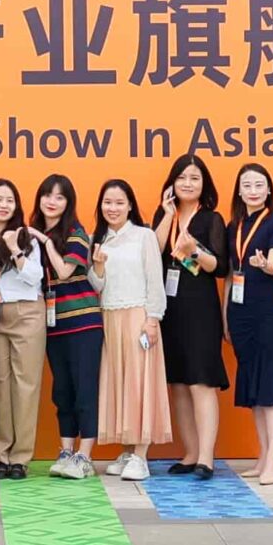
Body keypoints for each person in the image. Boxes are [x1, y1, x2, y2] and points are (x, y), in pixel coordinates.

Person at [152, 155, 228, 479]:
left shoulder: (211, 219)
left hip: (201, 310)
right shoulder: (163, 214)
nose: (187, 183)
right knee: (179, 384)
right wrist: (168, 215)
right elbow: (153, 252)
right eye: (182, 177)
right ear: (172, 182)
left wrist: (194, 250)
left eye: (194, 178)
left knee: (201, 383)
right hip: (170, 309)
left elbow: (220, 267)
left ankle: (206, 458)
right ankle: (191, 452)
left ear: (204, 184)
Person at [91, 178, 169, 480]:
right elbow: (96, 285)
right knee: (119, 382)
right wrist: (98, 266)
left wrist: (153, 319)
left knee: (140, 382)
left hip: (138, 316)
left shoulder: (143, 236)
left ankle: (141, 455)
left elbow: (155, 279)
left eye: (119, 202)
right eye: (108, 202)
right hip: (110, 317)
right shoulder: (99, 239)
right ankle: (126, 450)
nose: (113, 208)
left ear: (130, 205)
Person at [226, 163, 273, 485]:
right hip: (240, 312)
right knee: (253, 383)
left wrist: (265, 263)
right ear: (239, 191)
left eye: (258, 185)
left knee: (270, 382)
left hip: (267, 312)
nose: (253, 191)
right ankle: (263, 455)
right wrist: (226, 316)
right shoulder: (234, 226)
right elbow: (230, 274)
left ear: (268, 190)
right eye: (247, 185)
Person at [29, 175, 100, 479]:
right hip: (54, 324)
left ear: (69, 203)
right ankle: (67, 451)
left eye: (60, 197)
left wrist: (45, 242)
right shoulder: (32, 234)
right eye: (47, 195)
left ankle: (85, 455)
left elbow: (64, 271)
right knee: (62, 391)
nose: (52, 201)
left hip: (83, 323)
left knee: (85, 389)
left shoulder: (76, 233)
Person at [0, 178, 46, 479]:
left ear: (16, 206)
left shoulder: (27, 237)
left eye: (9, 200)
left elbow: (35, 277)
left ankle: (20, 457)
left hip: (26, 313)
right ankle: (0, 456)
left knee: (26, 385)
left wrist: (16, 249)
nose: (3, 205)